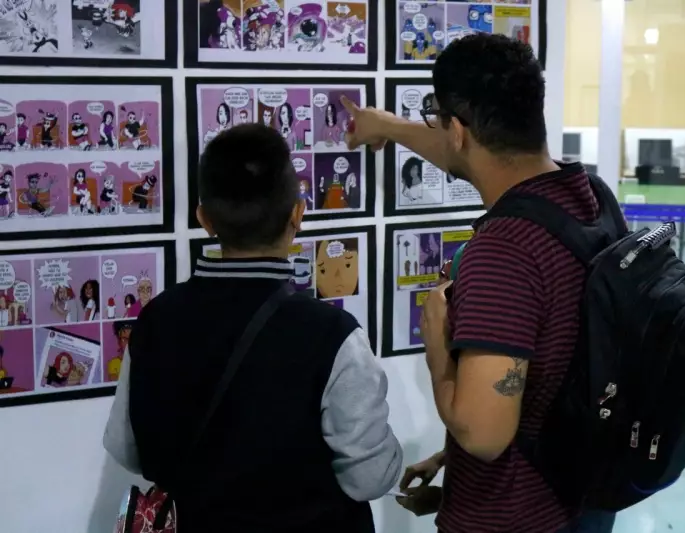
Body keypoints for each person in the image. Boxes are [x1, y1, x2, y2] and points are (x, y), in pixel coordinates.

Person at [342, 34, 617, 533]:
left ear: (457, 130)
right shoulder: (589, 198)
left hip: (513, 517)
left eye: (437, 119)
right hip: (580, 497)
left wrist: (436, 348)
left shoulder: (504, 250)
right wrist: (384, 125)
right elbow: (553, 366)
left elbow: (484, 436)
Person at [103, 123, 402, 532]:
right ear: (297, 214)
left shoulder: (155, 318)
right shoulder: (333, 333)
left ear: (205, 219)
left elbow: (126, 449)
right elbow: (370, 478)